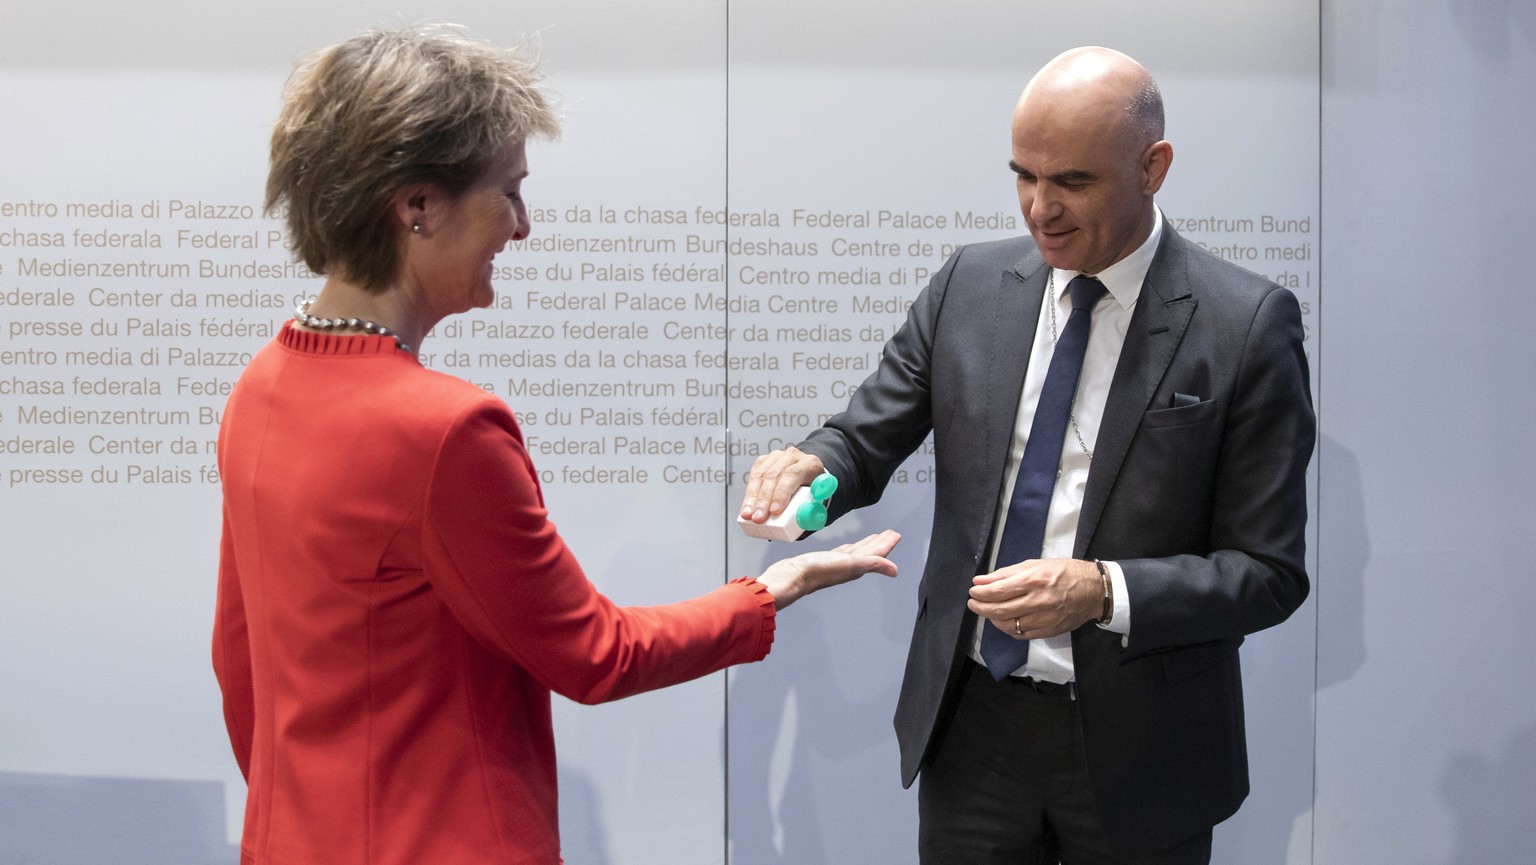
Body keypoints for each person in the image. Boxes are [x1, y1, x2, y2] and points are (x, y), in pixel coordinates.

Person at [211, 26, 900, 865]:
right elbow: (594, 653)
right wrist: (769, 591)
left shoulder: (262, 384)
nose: (523, 226)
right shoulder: (444, 430)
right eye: (508, 193)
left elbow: (239, 662)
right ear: (418, 205)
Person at [739, 46, 1314, 864]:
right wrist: (811, 465)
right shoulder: (968, 287)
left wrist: (1101, 589)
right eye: (1023, 175)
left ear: (1153, 167)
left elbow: (1268, 572)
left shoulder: (1245, 325)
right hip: (972, 726)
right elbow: (864, 437)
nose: (1040, 208)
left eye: (1073, 181)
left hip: (1145, 747)